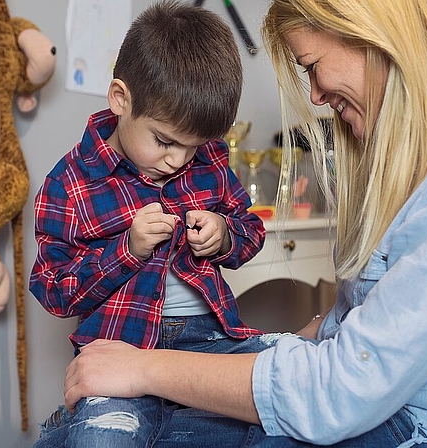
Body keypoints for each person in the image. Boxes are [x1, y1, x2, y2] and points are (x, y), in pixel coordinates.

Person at [54, 0, 427, 446]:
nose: (313, 95)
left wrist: (146, 367)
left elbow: (345, 387)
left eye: (311, 66)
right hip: (393, 402)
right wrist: (290, 343)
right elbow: (374, 322)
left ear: (372, 33)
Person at [29, 2, 283, 447]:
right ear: (120, 100)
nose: (178, 159)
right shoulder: (70, 183)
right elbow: (54, 291)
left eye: (195, 145)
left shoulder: (209, 163)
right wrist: (126, 249)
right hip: (119, 348)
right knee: (104, 439)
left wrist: (224, 236)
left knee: (292, 390)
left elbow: (251, 231)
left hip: (210, 341)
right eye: (165, 141)